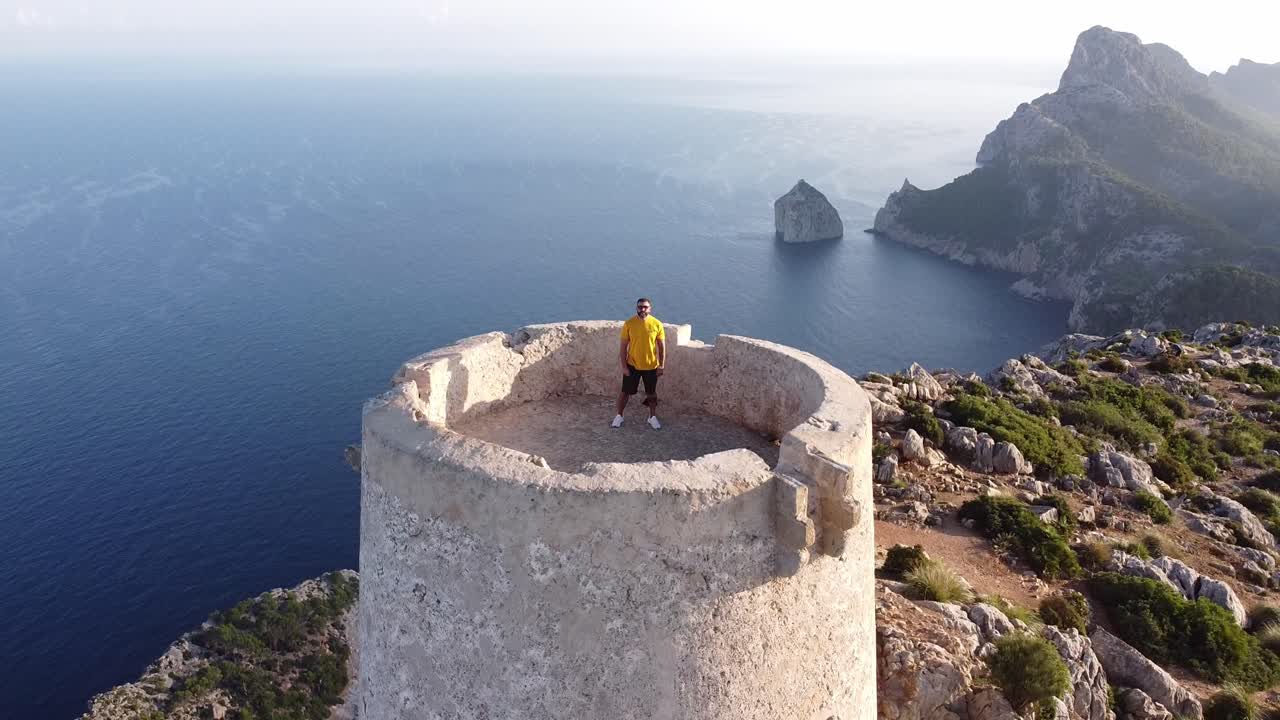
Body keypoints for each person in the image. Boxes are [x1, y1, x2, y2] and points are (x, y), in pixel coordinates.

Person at [612, 297, 665, 429]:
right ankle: (619, 416)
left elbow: (662, 347)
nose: (642, 309)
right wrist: (624, 366)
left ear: (650, 309)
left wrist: (661, 365)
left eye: (645, 307)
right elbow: (623, 347)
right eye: (640, 307)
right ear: (636, 308)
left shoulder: (657, 324)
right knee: (625, 392)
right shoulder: (629, 324)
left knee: (652, 393)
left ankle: (652, 417)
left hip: (651, 366)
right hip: (632, 365)